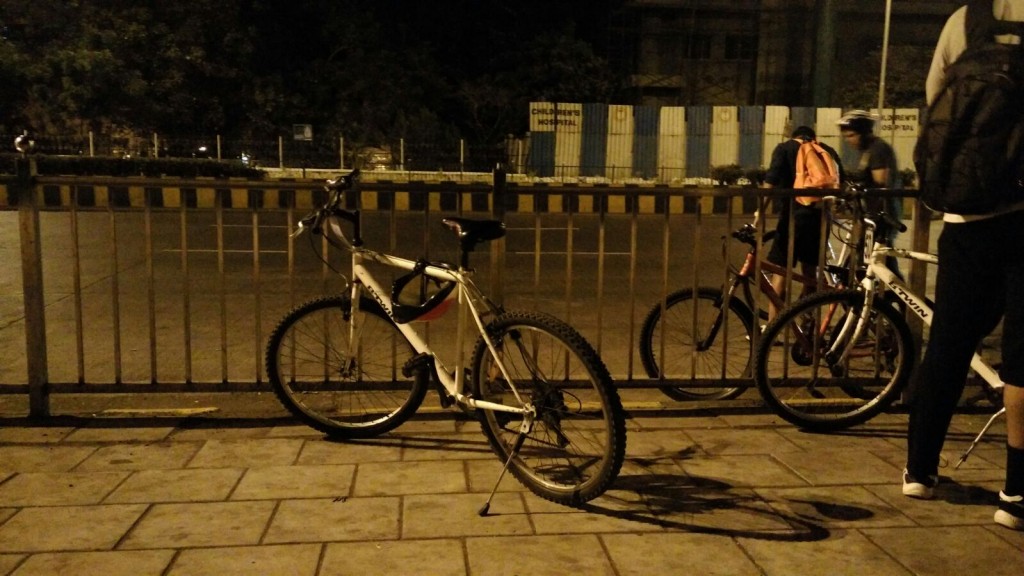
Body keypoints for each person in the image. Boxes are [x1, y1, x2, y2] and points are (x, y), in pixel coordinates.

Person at [903, 0, 1024, 532]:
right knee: (1023, 359)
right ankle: (1016, 495)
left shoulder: (964, 20)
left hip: (966, 214)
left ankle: (919, 470)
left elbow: (937, 106)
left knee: (950, 342)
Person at [760, 125, 843, 319]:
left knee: (780, 272)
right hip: (819, 218)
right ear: (814, 137)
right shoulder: (826, 150)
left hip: (792, 218)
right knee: (810, 272)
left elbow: (770, 182)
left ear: (793, 136)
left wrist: (760, 213)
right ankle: (809, 323)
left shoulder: (784, 148)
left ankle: (772, 329)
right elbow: (840, 182)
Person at [837, 109, 904, 278]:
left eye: (852, 135)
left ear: (864, 132)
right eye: (846, 136)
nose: (848, 140)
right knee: (875, 262)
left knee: (871, 262)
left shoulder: (878, 149)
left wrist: (860, 188)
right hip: (871, 216)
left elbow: (880, 181)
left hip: (880, 216)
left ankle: (896, 300)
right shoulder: (869, 150)